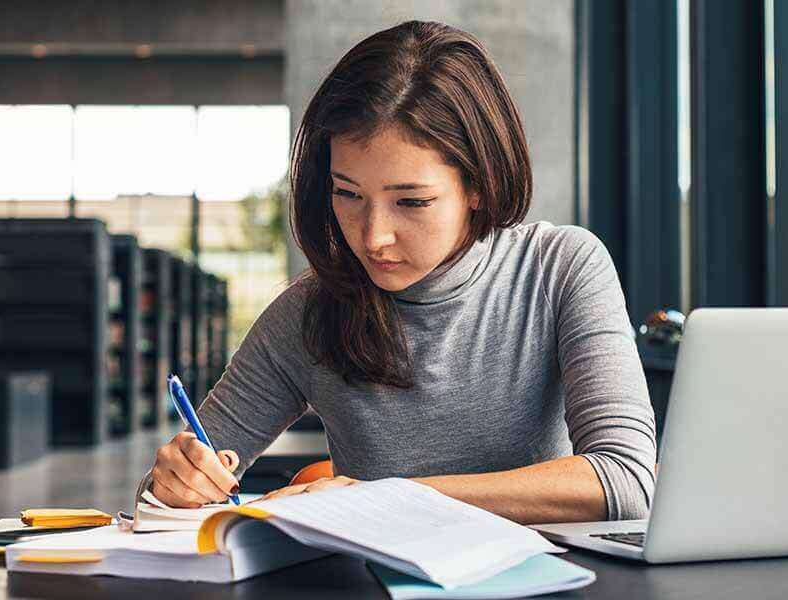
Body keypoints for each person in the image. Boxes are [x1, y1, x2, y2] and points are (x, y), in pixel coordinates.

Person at [141, 20, 656, 524]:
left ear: (479, 185)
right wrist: (175, 483)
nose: (372, 237)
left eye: (411, 201)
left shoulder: (559, 268)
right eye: (348, 194)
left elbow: (626, 481)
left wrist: (388, 498)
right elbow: (156, 502)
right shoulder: (307, 312)